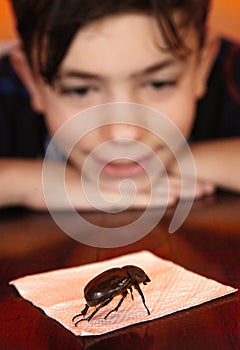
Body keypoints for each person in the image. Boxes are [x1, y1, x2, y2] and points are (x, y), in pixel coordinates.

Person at [0, 0, 239, 211]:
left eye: (158, 84)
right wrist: (30, 183)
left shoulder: (230, 75)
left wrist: (182, 160)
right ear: (31, 80)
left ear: (202, 65)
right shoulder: (6, 93)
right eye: (80, 90)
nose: (123, 134)